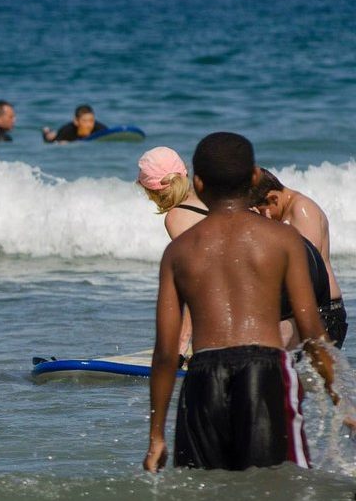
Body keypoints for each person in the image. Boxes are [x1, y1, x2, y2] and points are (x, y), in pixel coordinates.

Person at [143, 132, 337, 473]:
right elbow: (311, 330)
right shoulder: (283, 239)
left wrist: (156, 436)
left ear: (198, 183)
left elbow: (165, 351)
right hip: (265, 372)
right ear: (254, 178)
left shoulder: (178, 251)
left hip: (202, 378)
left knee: (205, 491)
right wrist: (338, 396)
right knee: (280, 487)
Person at [250, 168, 348, 349]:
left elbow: (308, 266)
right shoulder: (287, 212)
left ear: (273, 199)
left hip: (324, 313)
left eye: (261, 210)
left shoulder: (302, 209)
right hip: (306, 312)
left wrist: (267, 226)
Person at [137, 146, 208, 357]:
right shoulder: (210, 196)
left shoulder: (176, 217)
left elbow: (199, 282)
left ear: (152, 192)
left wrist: (182, 343)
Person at [42, 105, 107, 143]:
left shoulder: (100, 128)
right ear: (76, 121)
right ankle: (47, 131)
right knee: (49, 139)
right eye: (85, 121)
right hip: (64, 135)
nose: (89, 125)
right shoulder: (66, 131)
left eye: (91, 120)